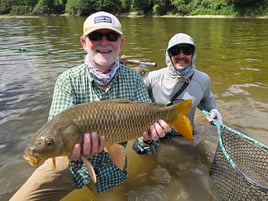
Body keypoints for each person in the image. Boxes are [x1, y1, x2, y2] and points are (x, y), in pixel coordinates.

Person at [10, 11, 170, 201]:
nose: (104, 42)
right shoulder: (67, 80)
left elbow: (147, 148)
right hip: (66, 163)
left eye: (111, 36)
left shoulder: (135, 80)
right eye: (95, 36)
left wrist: (150, 139)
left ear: (121, 43)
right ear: (84, 43)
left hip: (112, 168)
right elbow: (56, 133)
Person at [133, 33, 223, 153]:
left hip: (185, 137)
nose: (181, 56)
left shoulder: (203, 79)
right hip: (158, 137)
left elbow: (207, 99)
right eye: (175, 51)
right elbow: (131, 97)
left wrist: (213, 111)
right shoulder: (152, 78)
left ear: (193, 54)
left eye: (187, 50)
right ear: (169, 55)